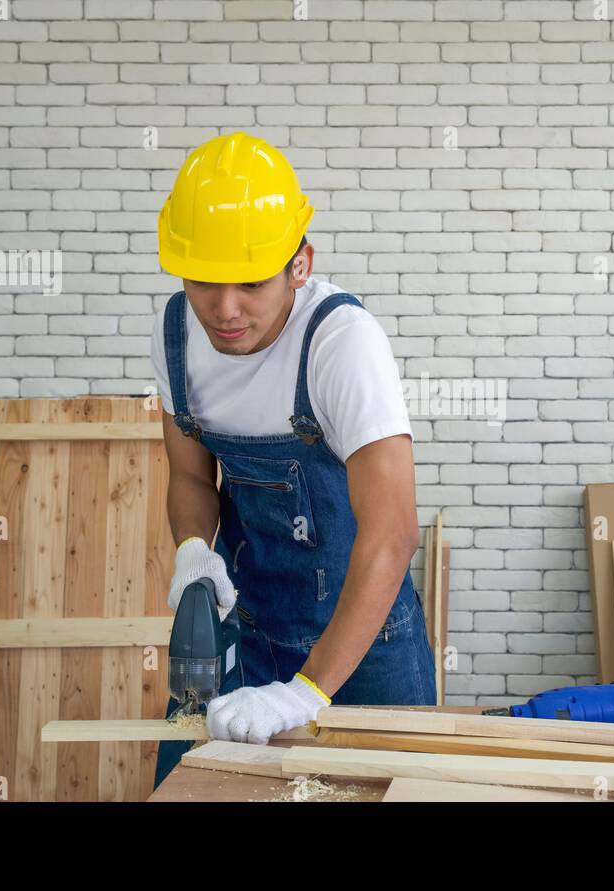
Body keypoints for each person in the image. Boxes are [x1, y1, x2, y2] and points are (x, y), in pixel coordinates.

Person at [150, 131, 435, 784]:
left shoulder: (341, 344)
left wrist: (306, 692)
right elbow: (191, 474)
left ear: (299, 263)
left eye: (250, 283)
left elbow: (393, 534)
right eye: (203, 283)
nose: (224, 311)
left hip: (367, 648)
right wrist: (194, 546)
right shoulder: (174, 336)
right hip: (251, 635)